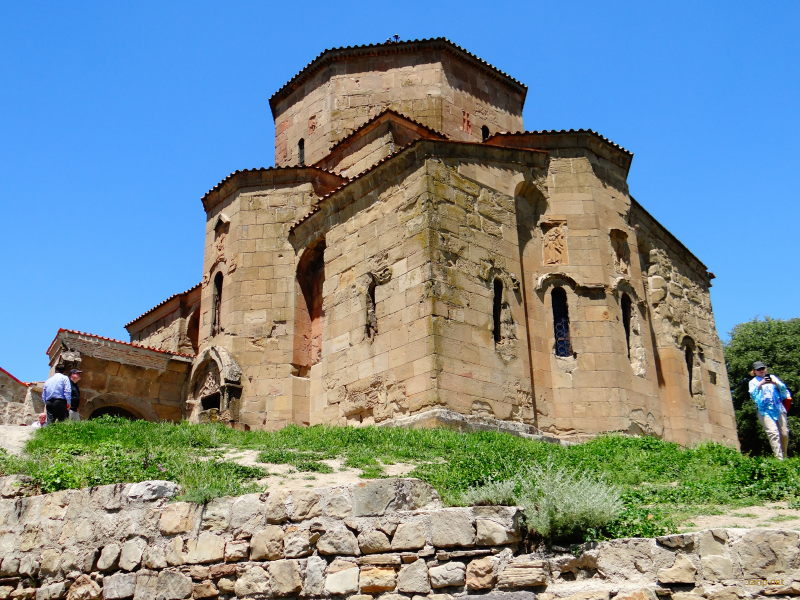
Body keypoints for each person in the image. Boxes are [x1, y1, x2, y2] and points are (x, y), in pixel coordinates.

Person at [749, 360, 792, 459]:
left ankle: (784, 455)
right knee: (773, 433)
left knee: (784, 433)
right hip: (764, 411)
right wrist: (761, 384)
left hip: (778, 408)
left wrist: (774, 383)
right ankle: (779, 458)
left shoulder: (772, 377)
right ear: (754, 371)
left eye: (762, 368)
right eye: (758, 369)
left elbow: (783, 389)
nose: (761, 371)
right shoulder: (753, 382)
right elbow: (753, 395)